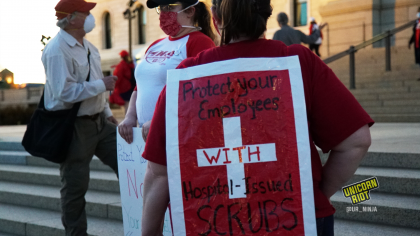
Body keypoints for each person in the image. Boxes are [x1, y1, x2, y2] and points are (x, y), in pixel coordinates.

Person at [141, 0, 374, 235]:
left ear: (214, 17)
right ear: (266, 14)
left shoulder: (186, 75)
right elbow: (357, 141)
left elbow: (158, 172)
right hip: (297, 218)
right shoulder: (298, 61)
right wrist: (314, 193)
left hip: (211, 221)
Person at [43, 0, 119, 235]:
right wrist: (102, 85)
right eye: (86, 12)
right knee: (75, 187)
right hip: (75, 128)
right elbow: (63, 93)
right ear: (72, 17)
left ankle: (141, 218)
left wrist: (108, 113)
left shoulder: (88, 46)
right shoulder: (56, 50)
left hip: (100, 122)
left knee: (130, 166)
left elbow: (93, 83)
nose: (91, 16)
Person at [118, 0, 216, 144]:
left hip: (177, 133)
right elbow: (140, 86)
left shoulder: (200, 43)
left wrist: (160, 121)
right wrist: (130, 116)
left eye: (169, 7)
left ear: (190, 11)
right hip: (145, 134)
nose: (164, 13)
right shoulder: (155, 45)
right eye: (161, 8)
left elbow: (201, 94)